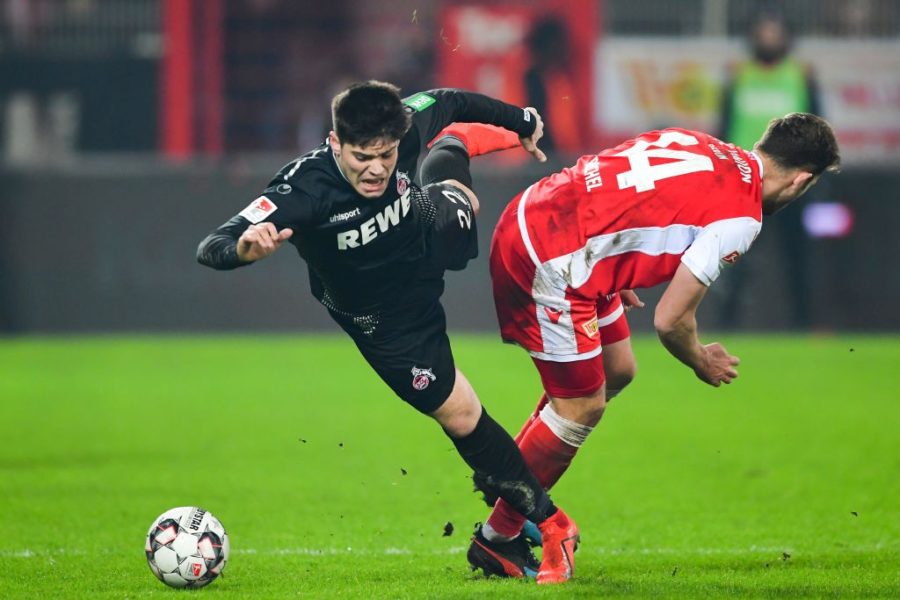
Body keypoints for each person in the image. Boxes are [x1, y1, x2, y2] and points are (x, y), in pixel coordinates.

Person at [197, 81, 578, 584]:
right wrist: (244, 249)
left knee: (456, 208)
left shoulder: (403, 124)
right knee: (461, 414)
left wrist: (523, 121)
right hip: (387, 322)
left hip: (424, 245)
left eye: (386, 154)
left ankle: (452, 149)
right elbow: (212, 244)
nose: (376, 168)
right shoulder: (302, 189)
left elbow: (452, 98)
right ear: (335, 143)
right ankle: (550, 522)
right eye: (361, 157)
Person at [467, 113, 840, 578]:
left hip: (539, 214)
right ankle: (499, 536)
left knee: (618, 369)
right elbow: (671, 320)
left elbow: (614, 177)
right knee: (581, 407)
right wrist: (701, 358)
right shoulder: (742, 216)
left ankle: (511, 480)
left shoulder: (701, 142)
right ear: (802, 180)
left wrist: (616, 256)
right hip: (553, 258)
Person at [718, 13, 822, 329]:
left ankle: (805, 324)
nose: (769, 39)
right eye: (764, 32)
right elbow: (723, 128)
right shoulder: (738, 76)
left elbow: (818, 130)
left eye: (775, 33)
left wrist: (815, 175)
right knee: (734, 257)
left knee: (798, 257)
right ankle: (727, 325)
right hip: (746, 182)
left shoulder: (800, 76)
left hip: (792, 183)